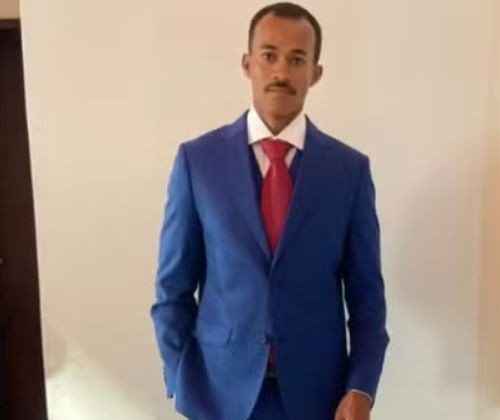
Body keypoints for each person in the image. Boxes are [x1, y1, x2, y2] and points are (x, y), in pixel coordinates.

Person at [150, 3, 389, 420]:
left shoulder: (348, 172)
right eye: (269, 55)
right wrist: (182, 382)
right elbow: (172, 290)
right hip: (220, 397)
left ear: (315, 72)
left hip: (320, 398)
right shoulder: (198, 162)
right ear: (248, 64)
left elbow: (367, 299)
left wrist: (361, 388)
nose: (282, 71)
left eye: (297, 59)